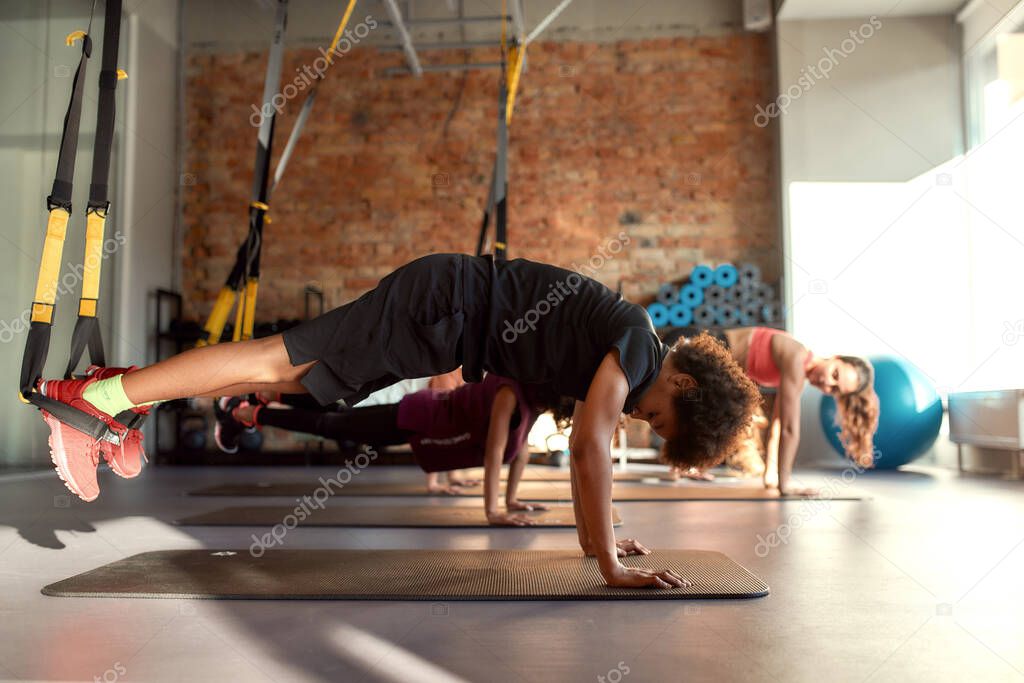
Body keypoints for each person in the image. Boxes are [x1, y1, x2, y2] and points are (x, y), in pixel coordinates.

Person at [37, 253, 760, 588]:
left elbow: (586, 449)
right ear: (683, 380)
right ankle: (95, 401)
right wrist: (605, 560)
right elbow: (589, 448)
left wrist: (597, 537)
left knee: (293, 374)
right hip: (438, 305)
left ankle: (118, 396)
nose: (646, 422)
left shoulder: (630, 350)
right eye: (663, 421)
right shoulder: (637, 344)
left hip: (438, 324)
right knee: (274, 362)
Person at [216, 374, 570, 526]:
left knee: (337, 416)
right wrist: (493, 510)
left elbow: (519, 450)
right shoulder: (511, 393)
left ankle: (265, 399)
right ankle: (251, 411)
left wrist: (512, 500)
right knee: (333, 424)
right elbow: (495, 454)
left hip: (422, 419)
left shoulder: (532, 402)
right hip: (417, 416)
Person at [664, 326, 879, 496]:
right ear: (836, 357)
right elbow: (789, 429)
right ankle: (682, 465)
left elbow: (777, 427)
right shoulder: (796, 357)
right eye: (834, 374)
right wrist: (785, 486)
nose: (826, 384)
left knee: (707, 407)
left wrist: (771, 475)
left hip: (701, 363)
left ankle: (682, 465)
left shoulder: (797, 375)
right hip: (690, 347)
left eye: (833, 389)